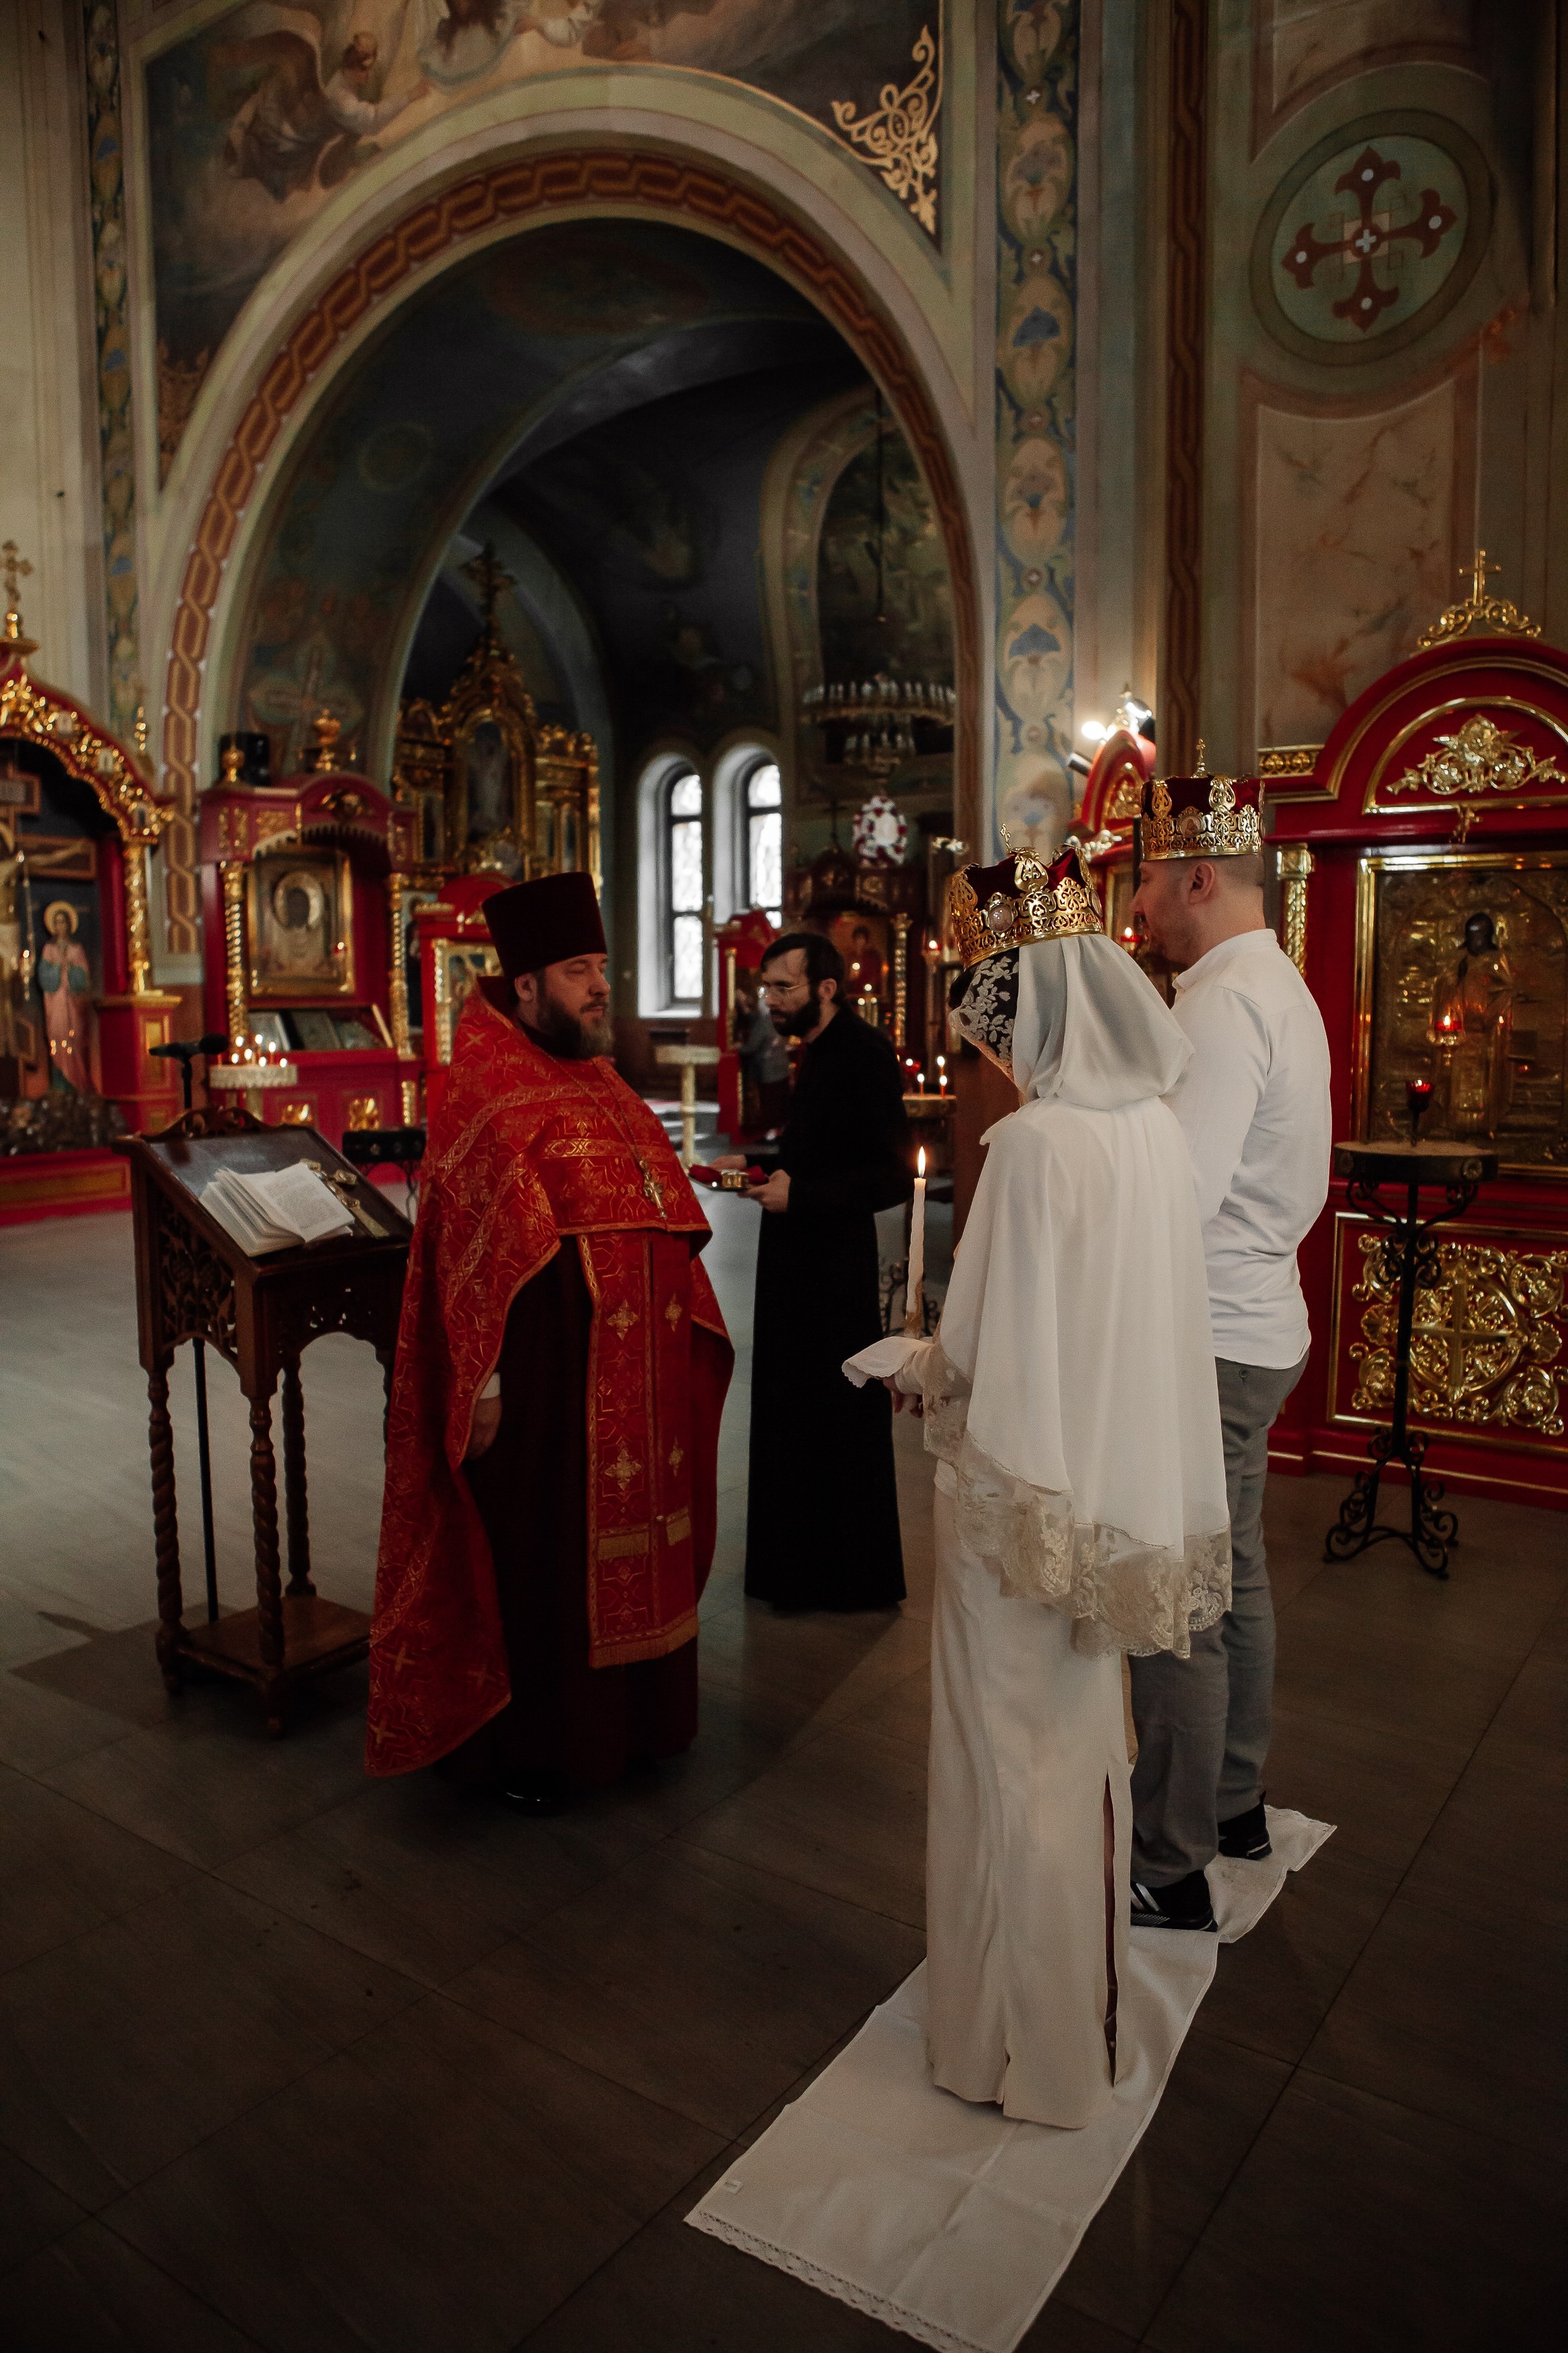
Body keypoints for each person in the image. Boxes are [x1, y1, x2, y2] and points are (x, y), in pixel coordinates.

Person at [854, 842, 1231, 2127]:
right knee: (1080, 1757)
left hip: (1018, 1513)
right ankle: (1081, 2029)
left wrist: (918, 1367)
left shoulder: (1026, 1151)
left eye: (986, 1013)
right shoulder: (1149, 1140)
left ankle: (1007, 2050)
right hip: (1110, 1505)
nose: (985, 1043)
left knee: (1001, 1762)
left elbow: (989, 1367)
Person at [368, 871, 733, 1812]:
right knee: (547, 1563)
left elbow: (663, 1210)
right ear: (526, 984)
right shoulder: (484, 1090)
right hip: (545, 1386)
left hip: (633, 1378)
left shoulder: (601, 1079)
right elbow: (466, 1255)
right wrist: (479, 1382)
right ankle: (539, 1752)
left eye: (601, 967)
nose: (598, 987)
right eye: (578, 971)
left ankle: (643, 1727)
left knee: (632, 1549)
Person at [1126, 766, 1332, 1927]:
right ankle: (1236, 1802)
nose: (1142, 908)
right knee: (1234, 1574)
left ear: (1198, 874)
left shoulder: (1212, 999)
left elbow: (1175, 1193)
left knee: (1176, 1599)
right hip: (1260, 1324)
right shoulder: (1276, 985)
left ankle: (1169, 1863)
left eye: (1150, 882)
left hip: (1206, 1335)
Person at [721, 929, 911, 1611]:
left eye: (783, 986)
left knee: (831, 1414)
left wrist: (799, 1193)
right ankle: (791, 1569)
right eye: (766, 986)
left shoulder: (862, 1052)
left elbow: (889, 1175)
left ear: (825, 989)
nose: (769, 999)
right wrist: (766, 1171)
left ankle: (842, 1575)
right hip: (795, 1261)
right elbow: (822, 1149)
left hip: (833, 1272)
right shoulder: (816, 1051)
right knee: (790, 1411)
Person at [38, 901, 93, 1092]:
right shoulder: (49, 950)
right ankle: (60, 1077)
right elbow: (44, 978)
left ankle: (77, 1081)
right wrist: (56, 968)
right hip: (56, 1004)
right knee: (58, 1038)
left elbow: (83, 978)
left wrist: (70, 968)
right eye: (58, 922)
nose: (61, 926)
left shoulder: (76, 949)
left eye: (64, 922)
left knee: (75, 1039)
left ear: (69, 925)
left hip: (73, 1003)